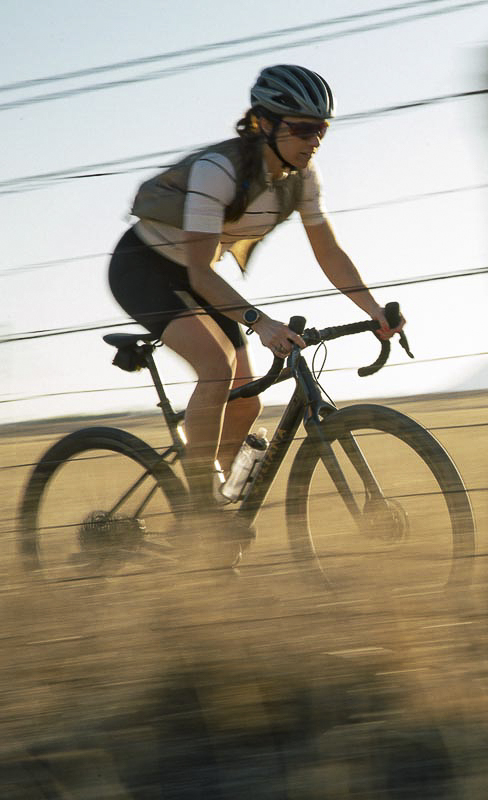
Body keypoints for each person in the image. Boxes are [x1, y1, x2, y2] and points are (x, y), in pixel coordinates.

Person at [108, 64, 403, 554]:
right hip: (144, 269)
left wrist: (374, 310)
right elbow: (200, 273)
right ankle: (200, 508)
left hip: (197, 273)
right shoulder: (217, 171)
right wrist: (261, 322)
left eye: (321, 130)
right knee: (216, 365)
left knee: (248, 396)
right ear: (264, 123)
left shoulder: (301, 177)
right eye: (303, 128)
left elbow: (328, 251)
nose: (314, 140)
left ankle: (211, 521)